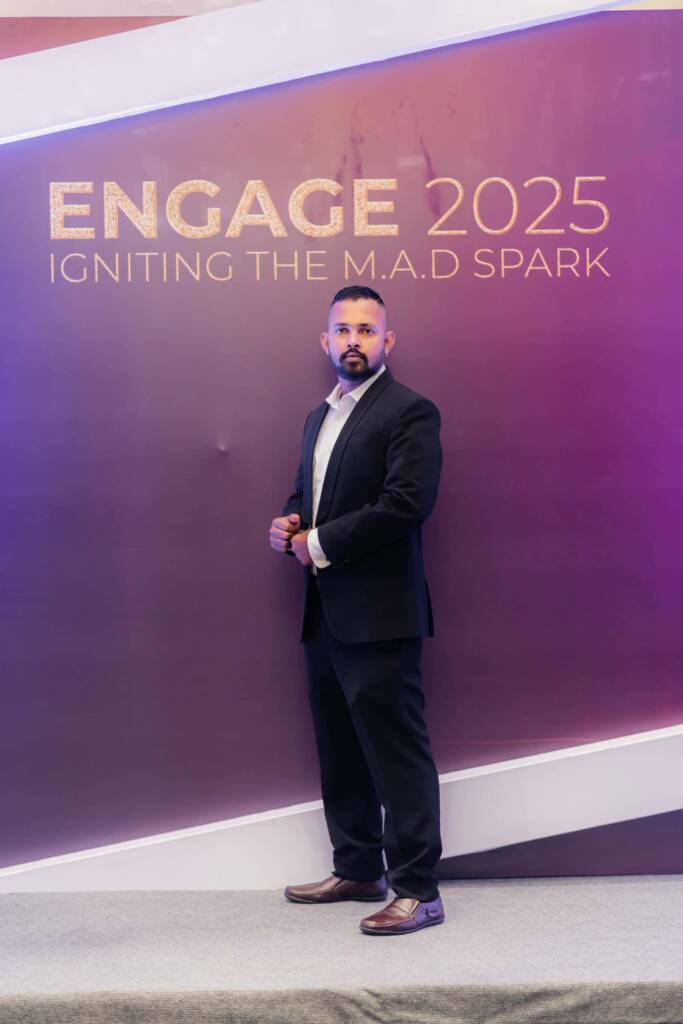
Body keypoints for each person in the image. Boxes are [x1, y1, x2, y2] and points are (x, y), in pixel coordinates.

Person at [268, 284, 444, 936]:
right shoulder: (317, 418)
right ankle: (358, 868)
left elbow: (406, 504)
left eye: (366, 330)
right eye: (343, 330)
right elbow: (310, 494)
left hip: (382, 615)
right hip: (325, 611)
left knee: (396, 754)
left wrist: (315, 543)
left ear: (386, 341)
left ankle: (419, 890)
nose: (353, 341)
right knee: (339, 748)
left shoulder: (410, 411)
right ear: (326, 341)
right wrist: (290, 521)